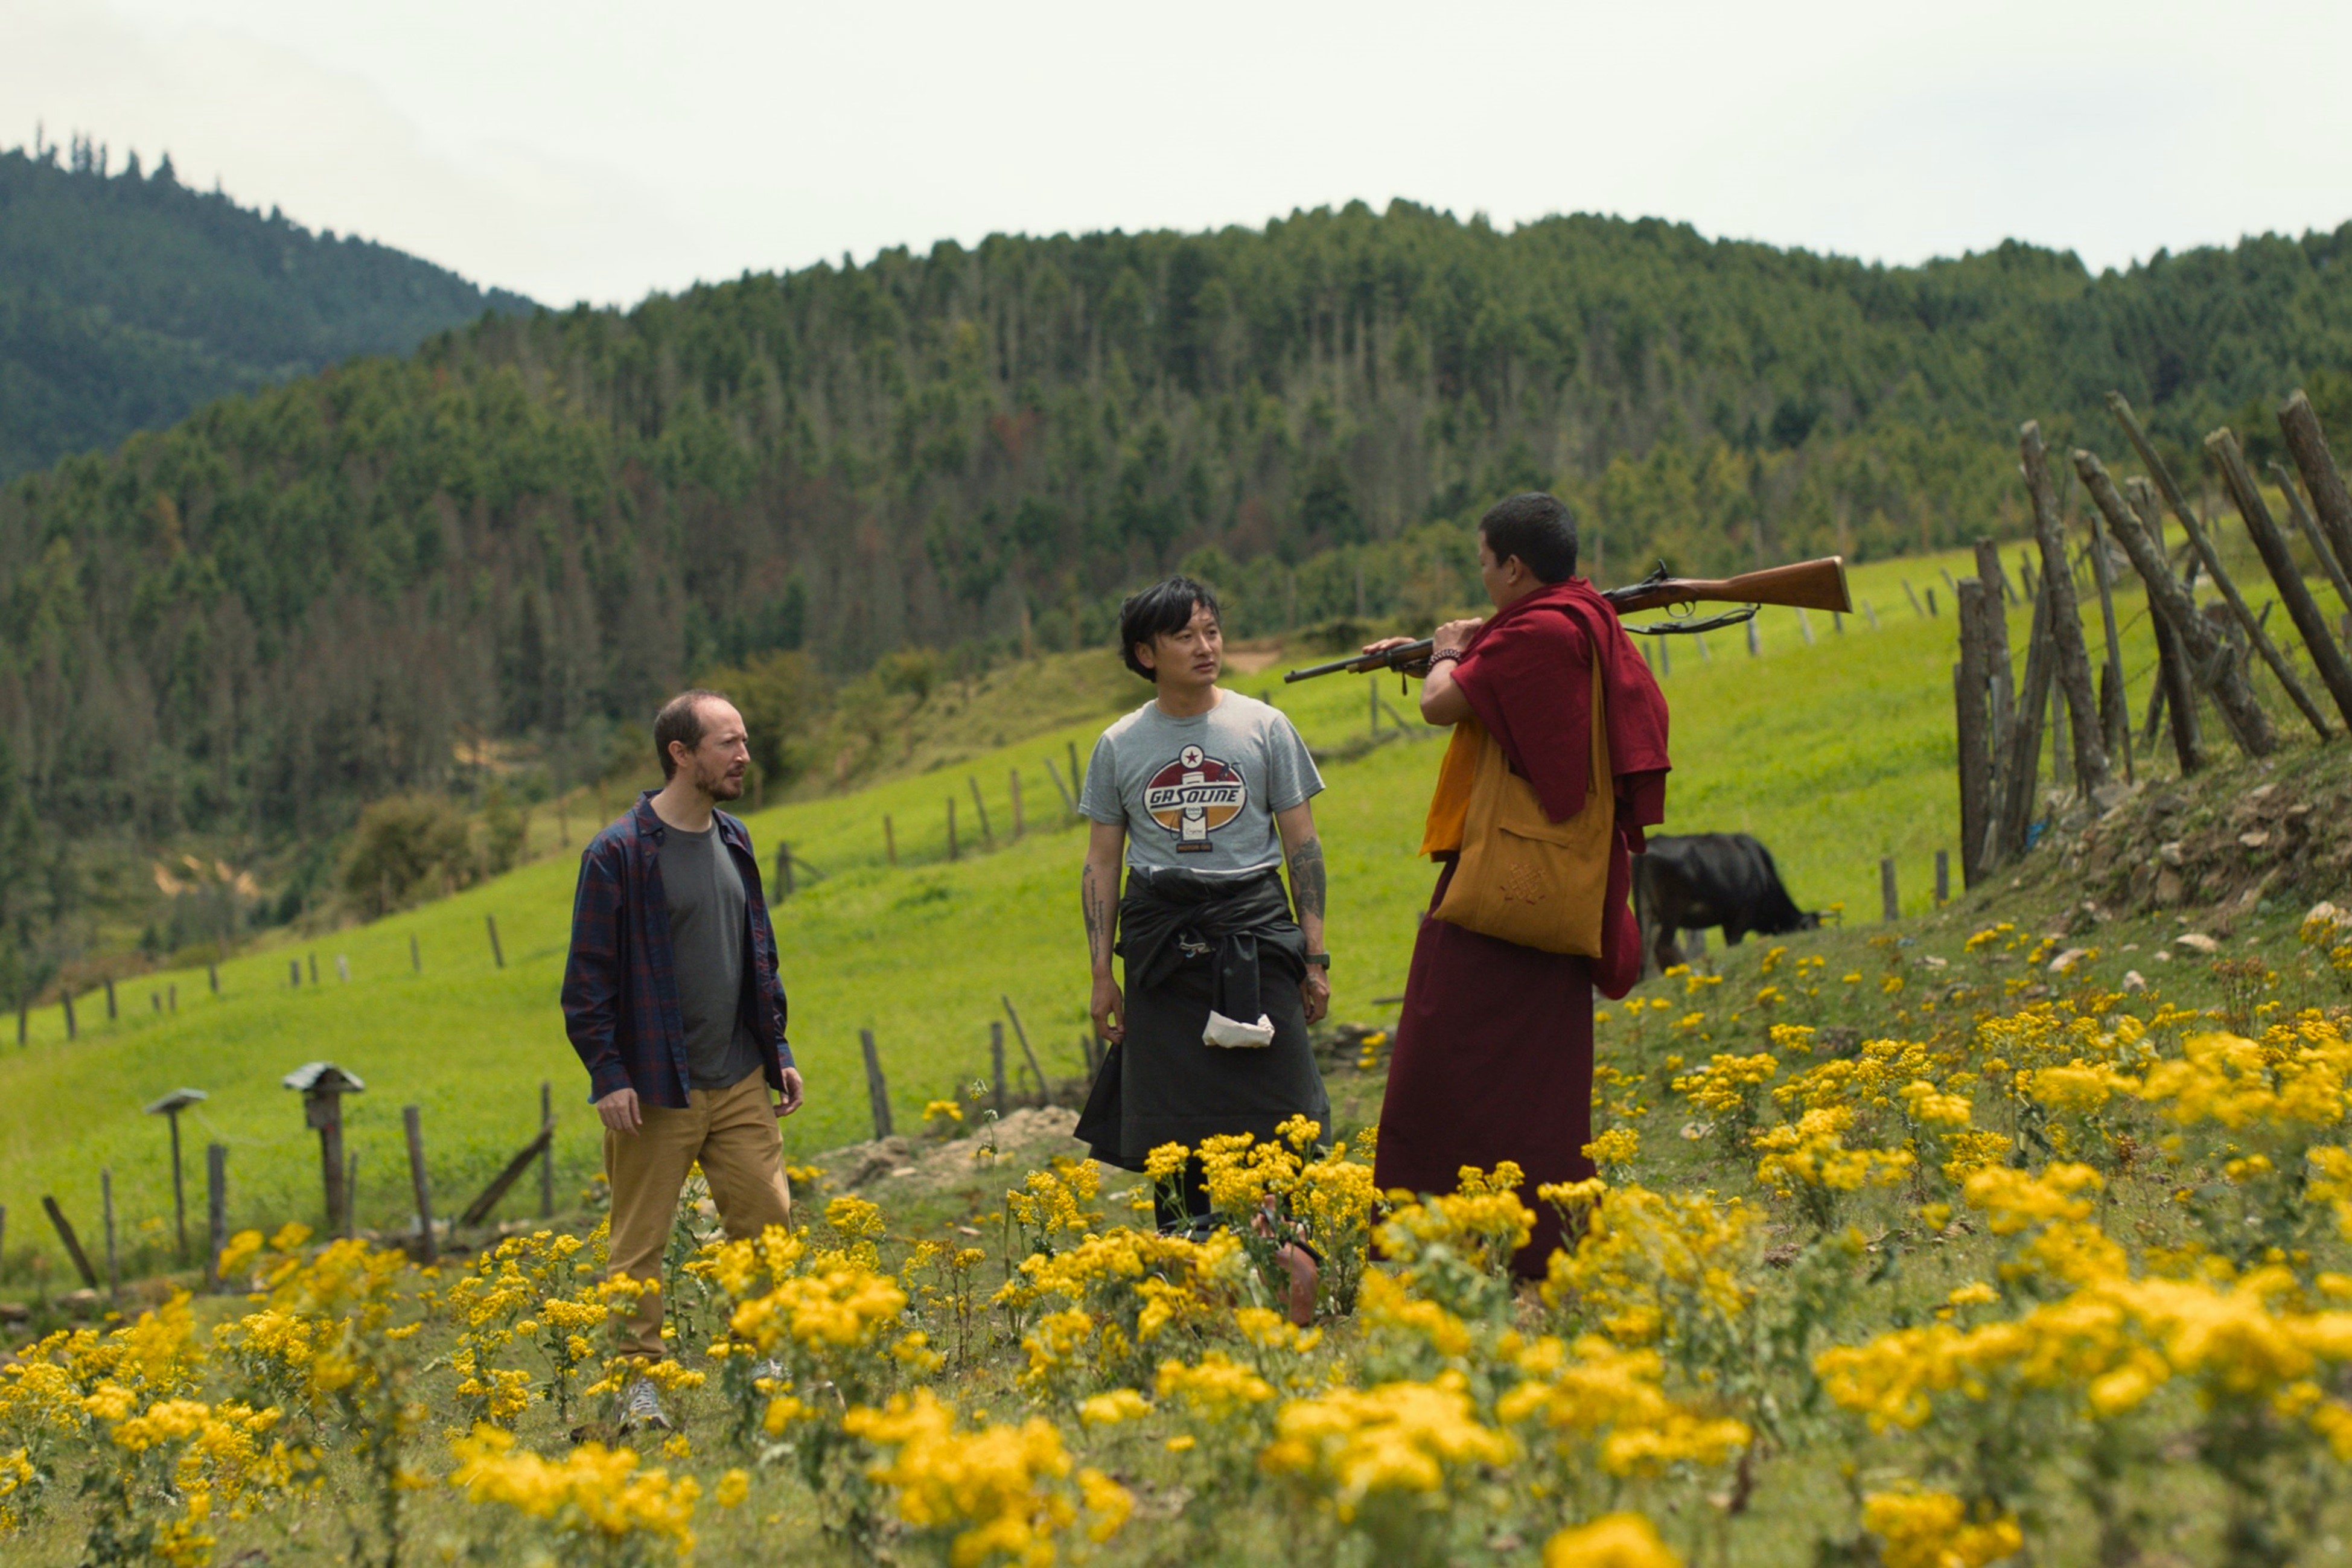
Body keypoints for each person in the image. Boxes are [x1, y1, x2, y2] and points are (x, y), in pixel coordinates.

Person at [1363, 492, 1670, 1275]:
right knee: (1533, 1074)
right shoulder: (1577, 616)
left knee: (1439, 1055)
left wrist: (1441, 649)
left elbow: (1442, 703)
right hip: (1555, 879)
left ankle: (1454, 1238)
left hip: (1510, 882)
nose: (1484, 577)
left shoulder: (1537, 631)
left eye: (1484, 563)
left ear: (1514, 565)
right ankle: (1532, 1237)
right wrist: (1459, 642)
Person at [1072, 577, 1330, 1322]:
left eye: (1212, 631)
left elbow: (1302, 848)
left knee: (1287, 1115)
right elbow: (1101, 864)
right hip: (1161, 950)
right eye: (1186, 636)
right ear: (1145, 654)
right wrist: (1101, 974)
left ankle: (1293, 1282)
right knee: (1172, 1128)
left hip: (1256, 934)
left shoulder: (1265, 727)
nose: (1206, 647)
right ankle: (1189, 1288)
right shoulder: (1120, 745)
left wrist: (1313, 959)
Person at [561, 689, 806, 1429]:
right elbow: (587, 981)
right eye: (728, 743)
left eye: (743, 741)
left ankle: (760, 1360)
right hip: (656, 1089)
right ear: (682, 754)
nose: (744, 757)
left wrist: (779, 1048)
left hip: (738, 1080)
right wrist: (609, 1074)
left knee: (768, 1219)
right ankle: (638, 1387)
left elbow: (757, 956)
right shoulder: (618, 854)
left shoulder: (735, 839)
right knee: (639, 1247)